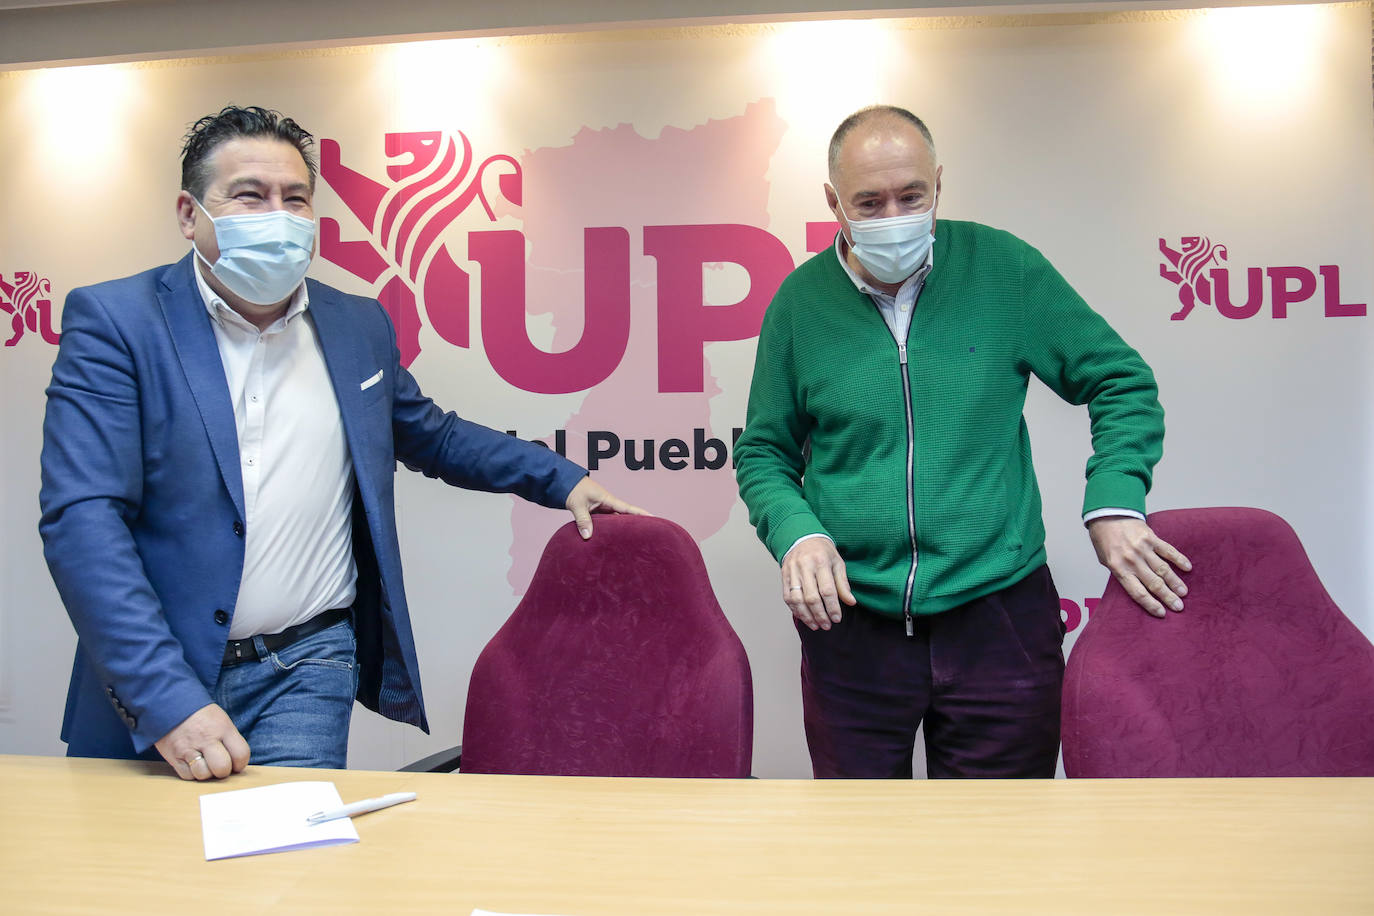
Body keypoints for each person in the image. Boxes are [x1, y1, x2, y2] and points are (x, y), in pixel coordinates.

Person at [39, 105, 645, 781]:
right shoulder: (117, 322)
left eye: (295, 199)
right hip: (161, 671)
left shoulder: (356, 323)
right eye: (249, 196)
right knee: (139, 853)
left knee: (290, 847)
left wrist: (560, 478)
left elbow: (431, 434)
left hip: (308, 665)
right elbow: (83, 520)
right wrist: (168, 701)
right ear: (190, 214)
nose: (278, 215)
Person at [734, 105, 1192, 779]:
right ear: (833, 202)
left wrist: (1115, 499)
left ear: (939, 185)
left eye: (911, 195)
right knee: (858, 833)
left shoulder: (1005, 269)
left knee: (1000, 834)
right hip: (853, 625)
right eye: (869, 202)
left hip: (1000, 617)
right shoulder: (800, 303)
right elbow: (763, 451)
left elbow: (1119, 380)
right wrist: (797, 532)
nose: (894, 215)